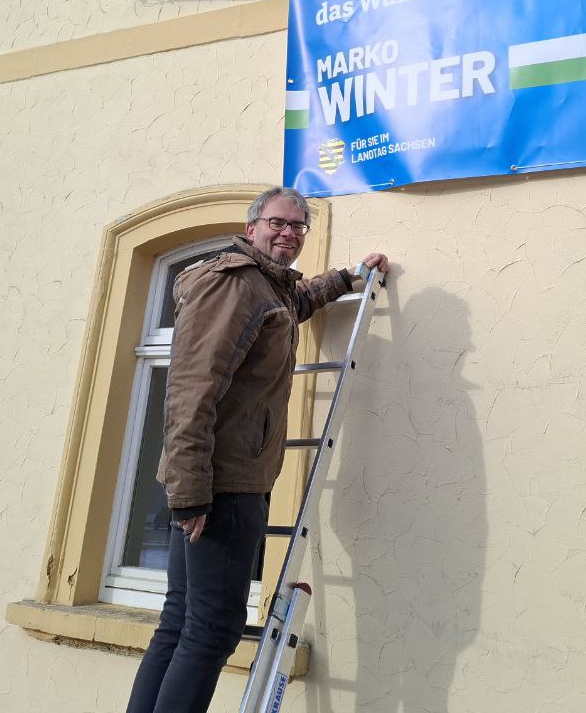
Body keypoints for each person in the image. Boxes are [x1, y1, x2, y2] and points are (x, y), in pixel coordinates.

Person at [125, 186, 388, 713]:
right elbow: (191, 389)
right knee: (212, 632)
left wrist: (347, 277)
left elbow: (296, 302)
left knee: (181, 621)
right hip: (223, 487)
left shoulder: (267, 288)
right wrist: (192, 493)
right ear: (251, 229)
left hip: (218, 483)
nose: (287, 233)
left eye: (298, 226)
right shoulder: (235, 286)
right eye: (277, 223)